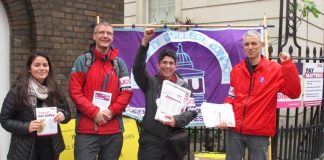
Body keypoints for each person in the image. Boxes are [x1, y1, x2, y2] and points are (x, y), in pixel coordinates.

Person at [221, 30, 301, 160]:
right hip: (235, 131)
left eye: (254, 43)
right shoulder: (237, 70)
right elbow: (232, 96)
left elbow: (294, 93)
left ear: (262, 45)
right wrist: (223, 113)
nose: (250, 47)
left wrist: (288, 65)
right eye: (247, 44)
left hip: (259, 133)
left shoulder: (275, 70)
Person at [69, 21, 133, 160]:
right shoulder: (82, 61)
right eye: (101, 32)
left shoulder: (119, 63)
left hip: (113, 131)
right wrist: (94, 113)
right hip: (87, 131)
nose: (105, 36)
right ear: (94, 36)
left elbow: (126, 92)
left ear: (112, 37)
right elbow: (75, 91)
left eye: (109, 33)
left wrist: (111, 111)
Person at [133, 28, 198, 160]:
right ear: (158, 65)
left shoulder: (184, 86)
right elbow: (137, 68)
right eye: (164, 62)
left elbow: (192, 110)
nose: (167, 66)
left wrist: (176, 120)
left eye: (171, 63)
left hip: (174, 142)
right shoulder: (149, 82)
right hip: (151, 141)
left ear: (175, 66)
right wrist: (145, 42)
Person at [0, 51, 71, 160]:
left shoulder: (55, 89)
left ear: (49, 68)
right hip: (24, 149)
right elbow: (4, 120)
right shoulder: (17, 91)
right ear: (29, 68)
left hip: (51, 148)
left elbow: (67, 113)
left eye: (45, 65)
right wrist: (26, 126)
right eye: (37, 65)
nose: (42, 68)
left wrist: (63, 116)